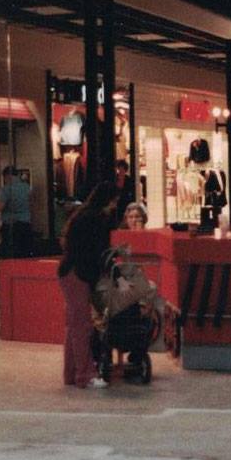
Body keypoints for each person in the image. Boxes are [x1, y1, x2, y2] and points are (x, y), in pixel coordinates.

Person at [57, 181, 118, 389]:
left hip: (69, 272)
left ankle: (71, 374)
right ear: (107, 200)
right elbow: (98, 252)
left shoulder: (82, 215)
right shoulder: (96, 219)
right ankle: (85, 375)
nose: (114, 207)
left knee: (74, 325)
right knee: (82, 326)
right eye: (113, 202)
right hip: (78, 274)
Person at [0, 165, 33, 259]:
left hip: (11, 226)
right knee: (23, 252)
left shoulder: (5, 189)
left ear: (7, 176)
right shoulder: (27, 187)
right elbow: (31, 204)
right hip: (25, 223)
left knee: (7, 253)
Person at [114, 160, 136, 224]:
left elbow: (131, 191)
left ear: (125, 170)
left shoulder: (129, 180)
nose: (121, 171)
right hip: (116, 203)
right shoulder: (114, 179)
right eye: (119, 169)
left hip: (125, 203)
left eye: (122, 169)